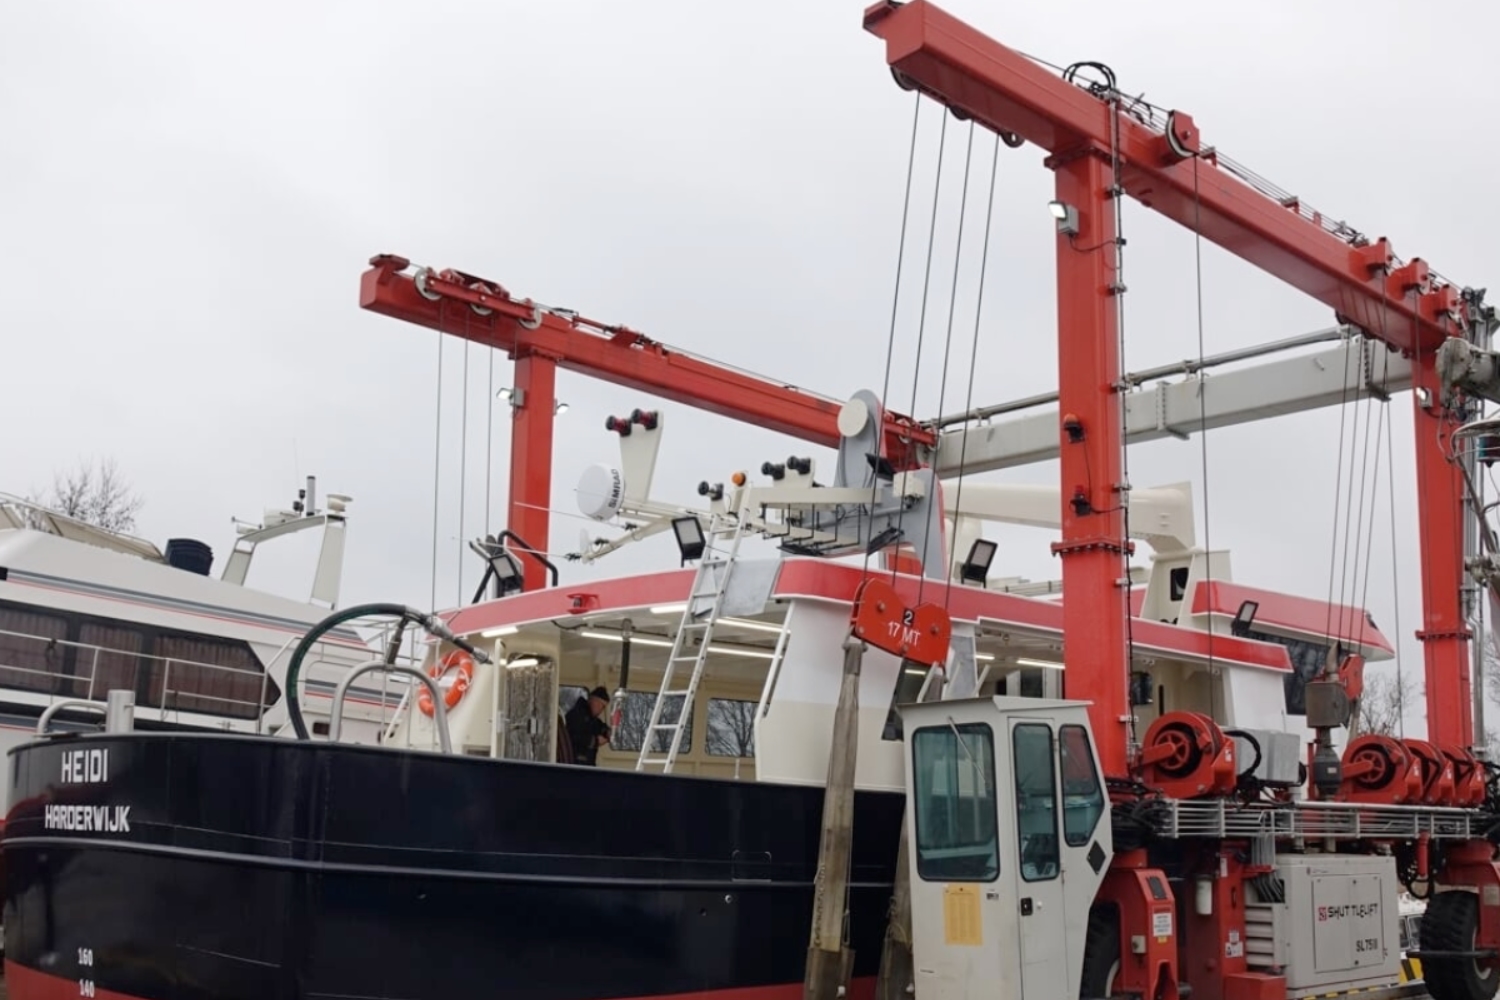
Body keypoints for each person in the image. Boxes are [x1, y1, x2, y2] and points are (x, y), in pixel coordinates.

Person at [565, 686, 612, 766]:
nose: (600, 709)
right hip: (575, 764)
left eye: (603, 707)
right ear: (592, 700)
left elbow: (600, 726)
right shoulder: (577, 714)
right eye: (600, 704)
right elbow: (575, 736)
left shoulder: (591, 718)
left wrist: (607, 732)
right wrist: (596, 741)